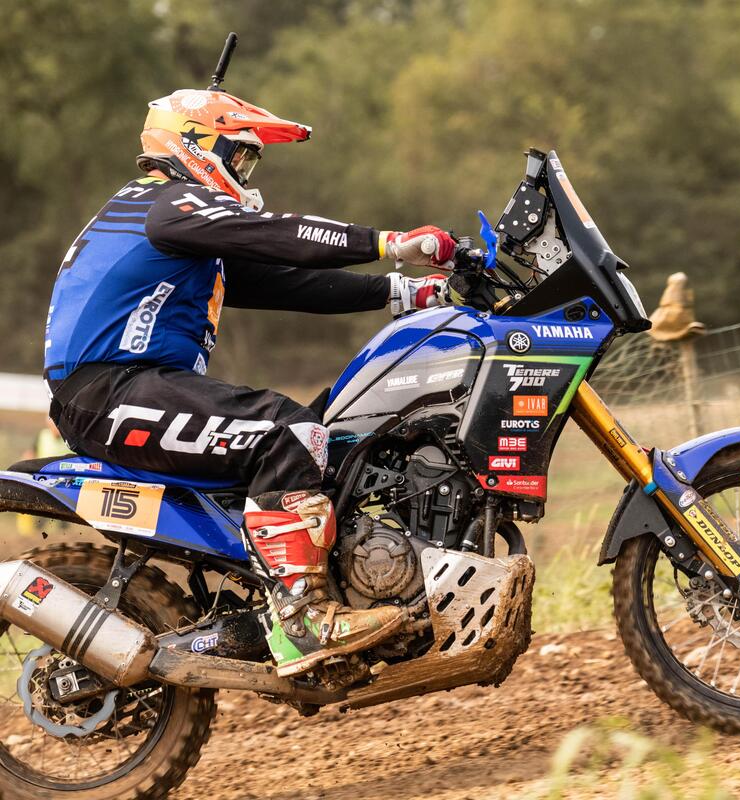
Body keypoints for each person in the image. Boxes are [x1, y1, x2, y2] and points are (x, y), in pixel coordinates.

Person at [43, 87, 457, 678]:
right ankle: (302, 622)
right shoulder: (167, 203)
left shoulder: (169, 221)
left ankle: (333, 586)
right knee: (287, 433)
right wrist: (389, 244)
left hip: (124, 388)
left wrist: (404, 293)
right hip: (108, 392)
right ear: (196, 145)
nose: (244, 170)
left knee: (334, 431)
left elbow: (281, 280)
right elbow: (276, 235)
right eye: (239, 154)